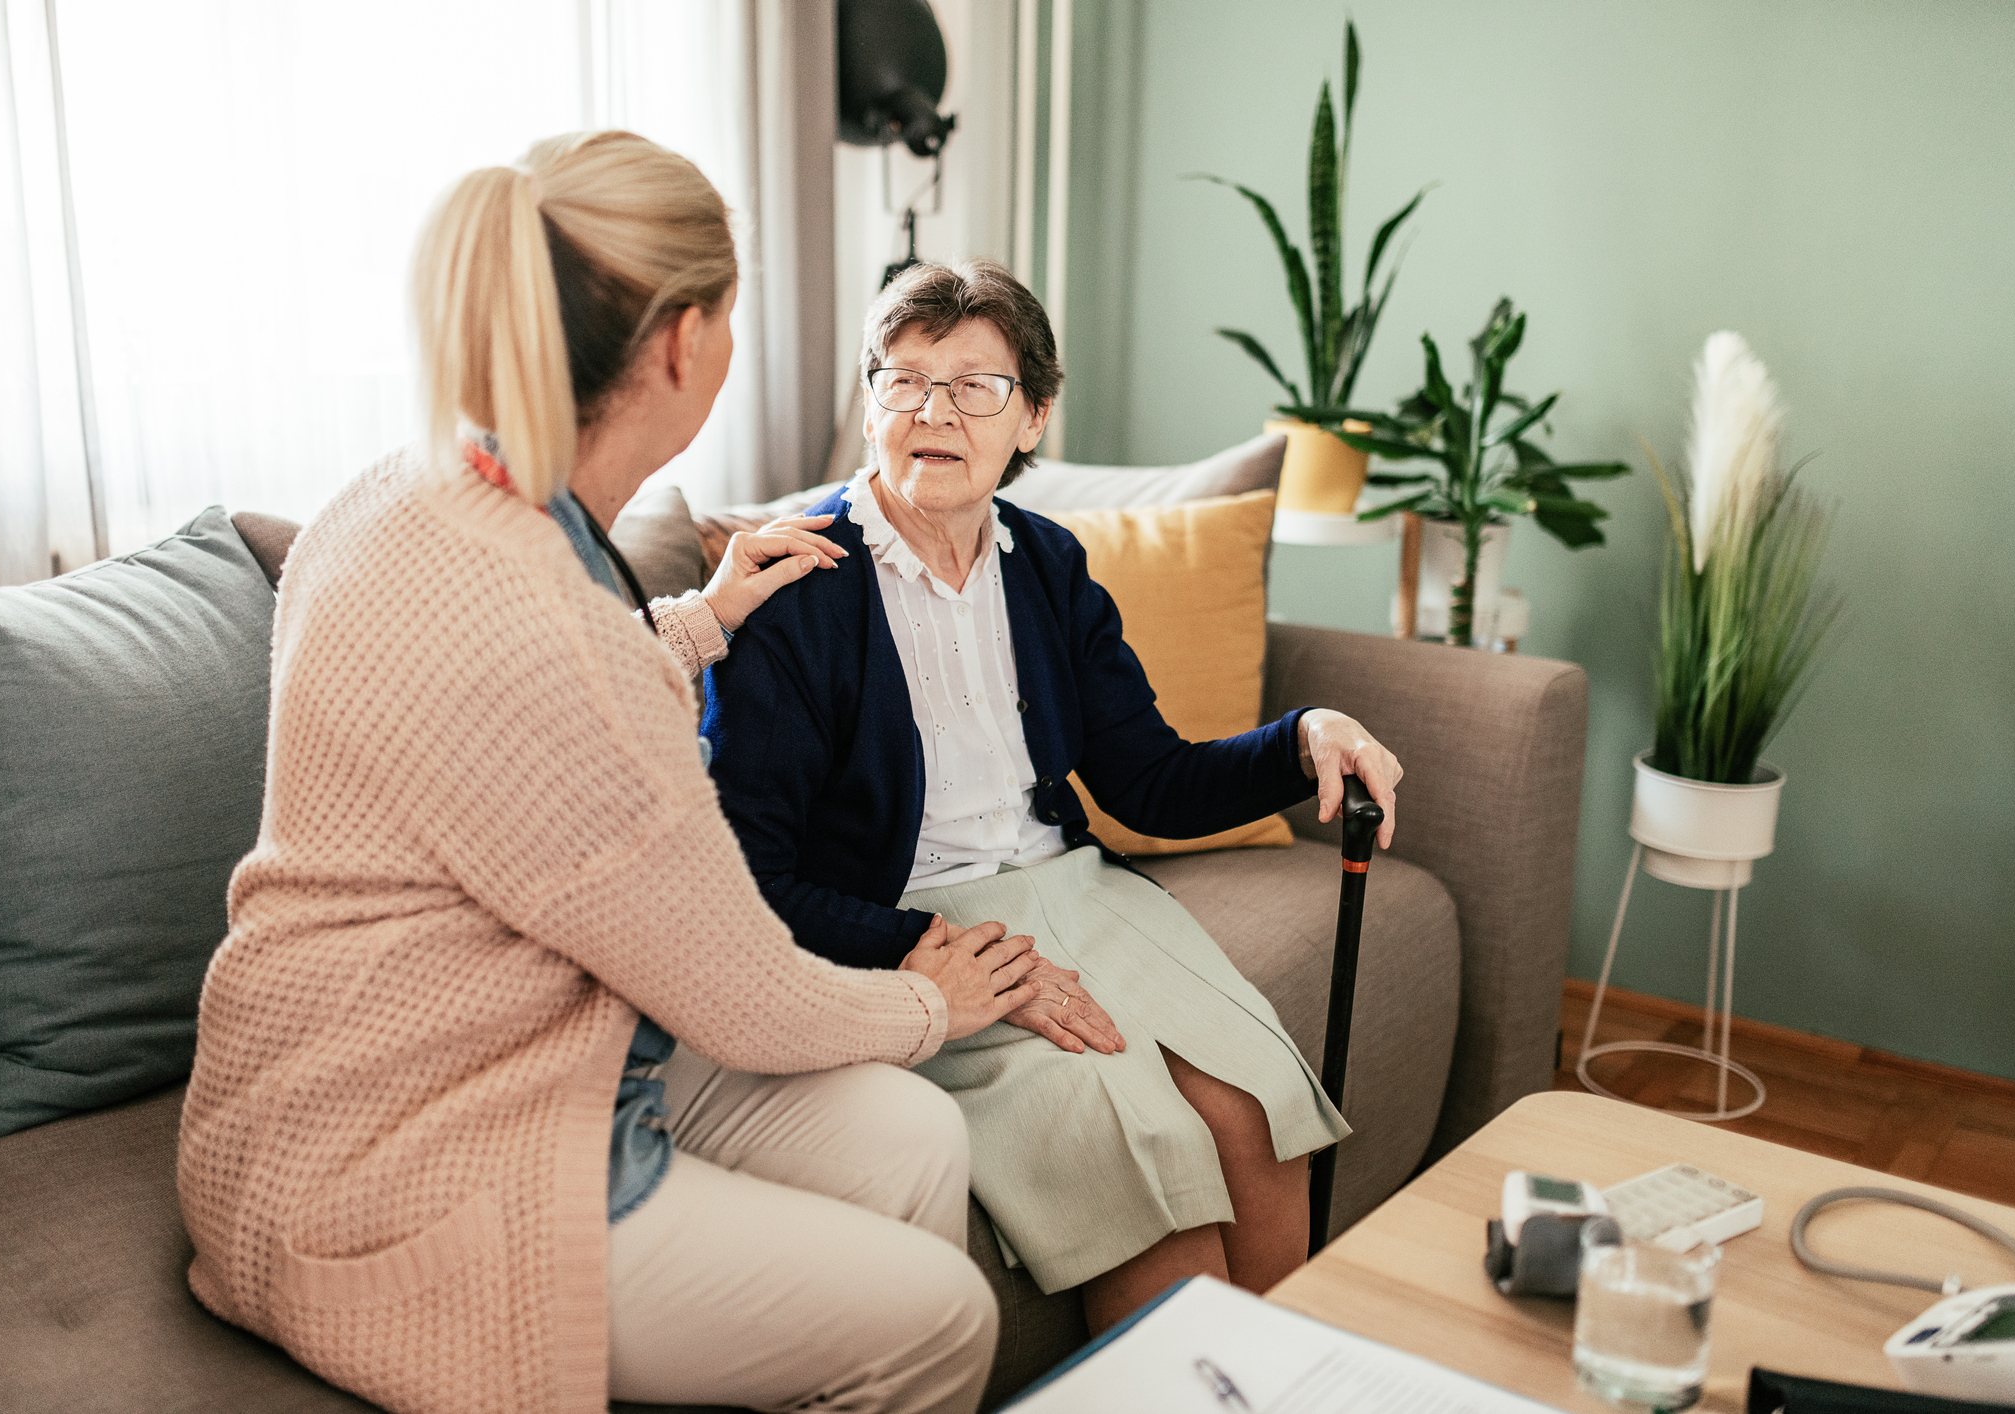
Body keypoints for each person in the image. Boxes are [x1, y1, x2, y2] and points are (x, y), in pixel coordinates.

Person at [175, 135, 1041, 1414]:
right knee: (944, 1319)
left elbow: (497, 735)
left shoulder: (398, 494)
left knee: (913, 1133)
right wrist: (934, 1002)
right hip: (409, 1160)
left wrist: (696, 623)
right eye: (733, 315)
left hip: (368, 1070)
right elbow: (745, 994)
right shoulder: (552, 633)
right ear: (685, 343)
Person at [703, 258, 1406, 1333]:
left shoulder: (1046, 564)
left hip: (1079, 890)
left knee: (1252, 1109)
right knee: (1142, 1160)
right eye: (905, 380)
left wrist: (1303, 736)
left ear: (1031, 417)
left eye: (975, 387)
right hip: (917, 930)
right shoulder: (795, 582)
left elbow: (1149, 780)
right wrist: (926, 948)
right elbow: (750, 874)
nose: (935, 412)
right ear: (871, 401)